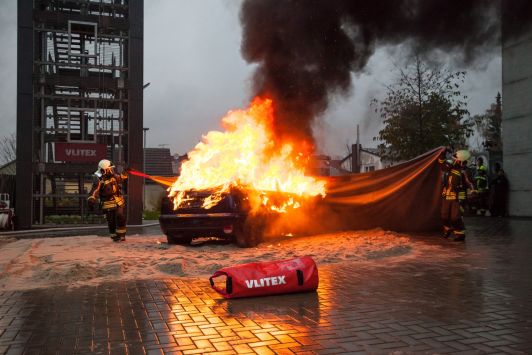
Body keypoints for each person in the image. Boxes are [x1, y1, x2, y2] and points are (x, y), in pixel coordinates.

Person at [438, 148, 475, 242]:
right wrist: (443, 152)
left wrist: (473, 190)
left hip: (458, 198)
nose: (453, 160)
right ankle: (448, 229)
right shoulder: (450, 167)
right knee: (444, 216)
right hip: (446, 196)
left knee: (455, 217)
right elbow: (442, 163)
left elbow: (469, 183)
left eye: (456, 159)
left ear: (461, 161)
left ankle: (460, 234)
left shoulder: (464, 172)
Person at [88, 159, 128, 242]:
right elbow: (94, 190)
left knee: (121, 216)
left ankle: (122, 235)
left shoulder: (113, 176)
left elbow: (120, 178)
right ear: (104, 170)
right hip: (108, 204)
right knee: (111, 221)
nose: (112, 170)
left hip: (119, 201)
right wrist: (91, 198)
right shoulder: (99, 179)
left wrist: (125, 172)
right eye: (110, 169)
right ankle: (114, 236)